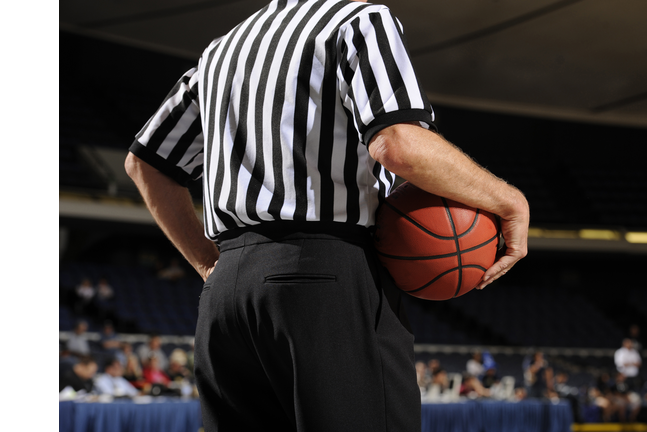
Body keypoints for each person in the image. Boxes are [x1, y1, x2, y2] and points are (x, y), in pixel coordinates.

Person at [124, 0, 529, 430]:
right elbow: (396, 144)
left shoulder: (221, 51)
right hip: (324, 274)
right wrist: (508, 200)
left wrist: (209, 264)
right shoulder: (359, 19)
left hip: (226, 293)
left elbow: (146, 163)